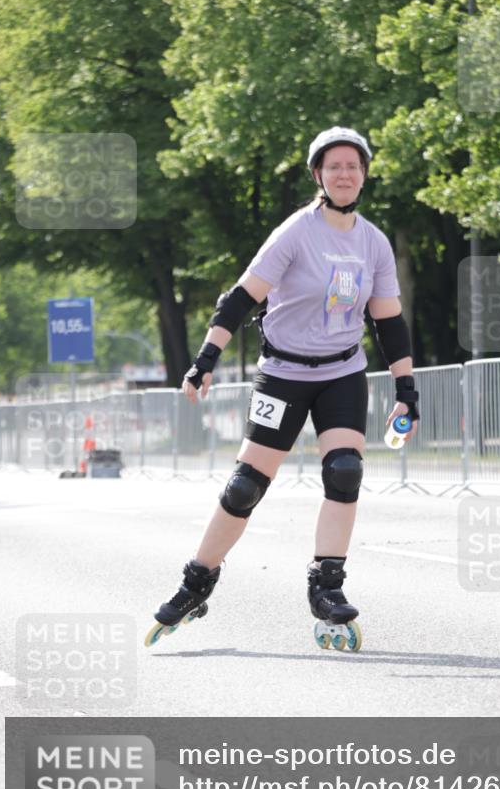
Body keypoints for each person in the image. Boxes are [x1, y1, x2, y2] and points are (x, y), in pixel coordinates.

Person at [145, 127, 419, 650]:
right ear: (318, 175)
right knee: (246, 486)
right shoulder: (296, 231)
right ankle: (195, 583)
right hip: (284, 374)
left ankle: (327, 588)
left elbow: (389, 323)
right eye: (334, 166)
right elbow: (241, 298)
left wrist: (407, 388)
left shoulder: (374, 243)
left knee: (345, 472)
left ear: (364, 175)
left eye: (354, 167)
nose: (345, 174)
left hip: (342, 372)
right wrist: (205, 360)